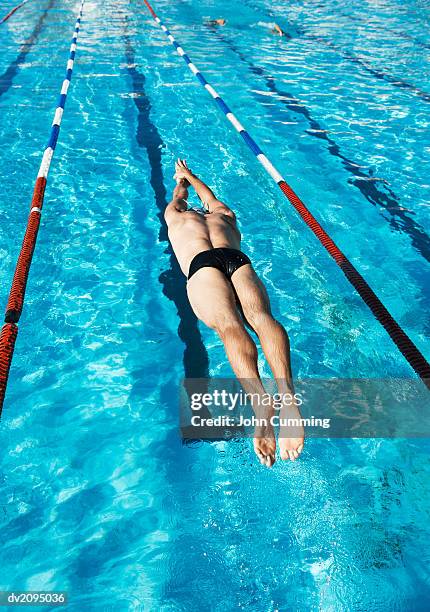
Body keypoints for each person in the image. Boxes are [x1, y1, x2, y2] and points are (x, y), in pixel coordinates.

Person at [165, 159, 304, 467]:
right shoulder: (223, 214)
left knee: (230, 328)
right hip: (236, 258)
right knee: (262, 318)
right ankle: (288, 397)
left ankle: (261, 406)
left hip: (201, 263)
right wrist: (192, 174)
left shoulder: (176, 215)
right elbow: (208, 196)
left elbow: (179, 198)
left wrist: (180, 182)